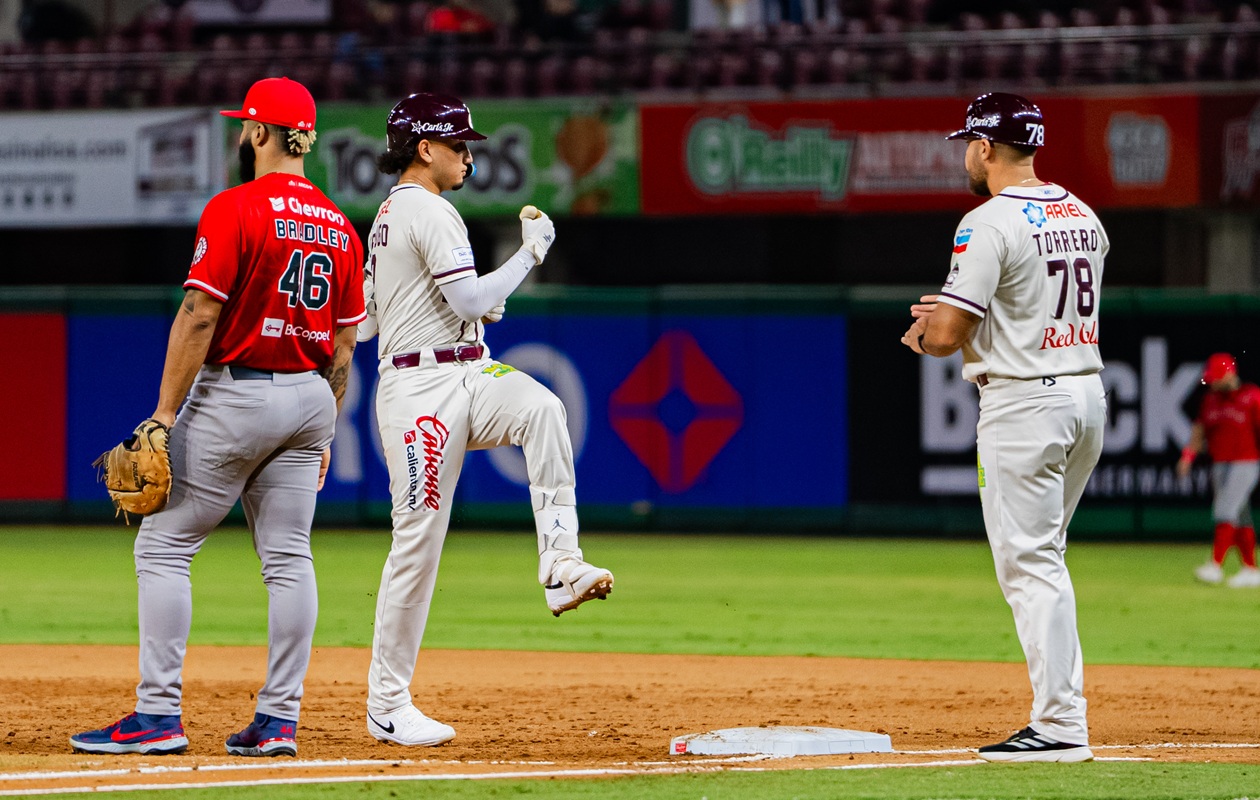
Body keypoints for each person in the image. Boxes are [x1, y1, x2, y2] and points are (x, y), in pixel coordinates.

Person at [71, 77, 365, 757]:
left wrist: (163, 415)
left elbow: (201, 312)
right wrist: (325, 431)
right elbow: (344, 346)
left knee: (163, 546)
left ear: (260, 133)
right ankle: (279, 722)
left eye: (244, 126)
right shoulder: (340, 225)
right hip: (310, 397)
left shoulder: (235, 208)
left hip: (238, 393)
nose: (241, 135)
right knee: (289, 559)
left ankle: (157, 715)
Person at [357, 92, 613, 747]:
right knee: (417, 545)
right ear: (425, 148)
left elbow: (374, 319)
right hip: (419, 393)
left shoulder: (387, 216)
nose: (468, 154)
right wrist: (529, 256)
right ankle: (387, 704)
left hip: (465, 370)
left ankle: (560, 564)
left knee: (543, 408)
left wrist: (465, 314)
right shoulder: (427, 209)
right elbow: (463, 295)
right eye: (458, 144)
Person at [901, 92, 1107, 763]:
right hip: (1085, 392)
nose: (966, 153)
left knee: (1031, 564)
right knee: (1046, 557)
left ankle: (1060, 725)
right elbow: (1028, 305)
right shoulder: (1082, 213)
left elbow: (952, 332)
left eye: (969, 142)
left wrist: (929, 334)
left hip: (1024, 404)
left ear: (987, 147)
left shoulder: (986, 221)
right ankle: (1061, 714)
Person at [1178, 352, 1260, 588]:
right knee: (1241, 515)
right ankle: (1251, 569)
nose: (1212, 382)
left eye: (1216, 377)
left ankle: (1215, 565)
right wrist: (1188, 455)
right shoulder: (1211, 399)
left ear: (1229, 373)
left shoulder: (1252, 396)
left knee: (1225, 510)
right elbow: (1199, 430)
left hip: (1246, 462)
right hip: (1220, 462)